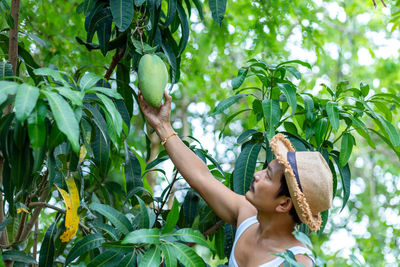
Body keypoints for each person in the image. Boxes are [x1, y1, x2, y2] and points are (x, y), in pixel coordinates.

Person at [138, 91, 333, 267]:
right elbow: (202, 177)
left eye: (268, 176)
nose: (257, 175)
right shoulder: (247, 215)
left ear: (284, 204)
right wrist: (162, 125)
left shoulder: (297, 262)